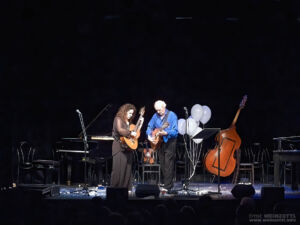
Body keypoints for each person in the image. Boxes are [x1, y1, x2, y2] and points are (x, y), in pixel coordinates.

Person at [146, 100, 178, 193]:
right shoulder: (155, 116)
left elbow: (175, 131)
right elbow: (149, 126)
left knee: (168, 164)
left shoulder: (172, 115)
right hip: (159, 142)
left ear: (164, 106)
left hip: (170, 141)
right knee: (163, 164)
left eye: (159, 110)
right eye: (157, 110)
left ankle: (168, 186)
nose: (158, 112)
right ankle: (168, 183)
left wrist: (166, 132)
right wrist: (149, 135)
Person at [110, 103, 137, 189]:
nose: (131, 115)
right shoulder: (118, 119)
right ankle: (115, 189)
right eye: (129, 113)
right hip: (119, 147)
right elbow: (120, 130)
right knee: (118, 169)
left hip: (127, 148)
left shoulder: (128, 122)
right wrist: (130, 133)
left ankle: (125, 189)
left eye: (132, 114)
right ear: (124, 112)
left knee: (127, 169)